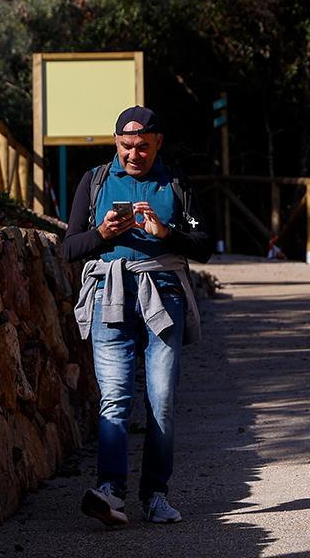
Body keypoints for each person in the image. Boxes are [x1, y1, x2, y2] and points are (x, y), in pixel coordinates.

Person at [60, 105, 213, 526]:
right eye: (126, 146)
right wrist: (103, 234)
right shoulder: (94, 181)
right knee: (114, 399)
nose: (134, 155)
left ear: (157, 143)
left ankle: (156, 496)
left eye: (142, 147)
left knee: (161, 401)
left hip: (163, 297)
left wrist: (166, 234)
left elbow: (204, 244)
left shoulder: (177, 182)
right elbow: (68, 247)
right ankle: (110, 492)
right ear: (116, 143)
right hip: (107, 294)